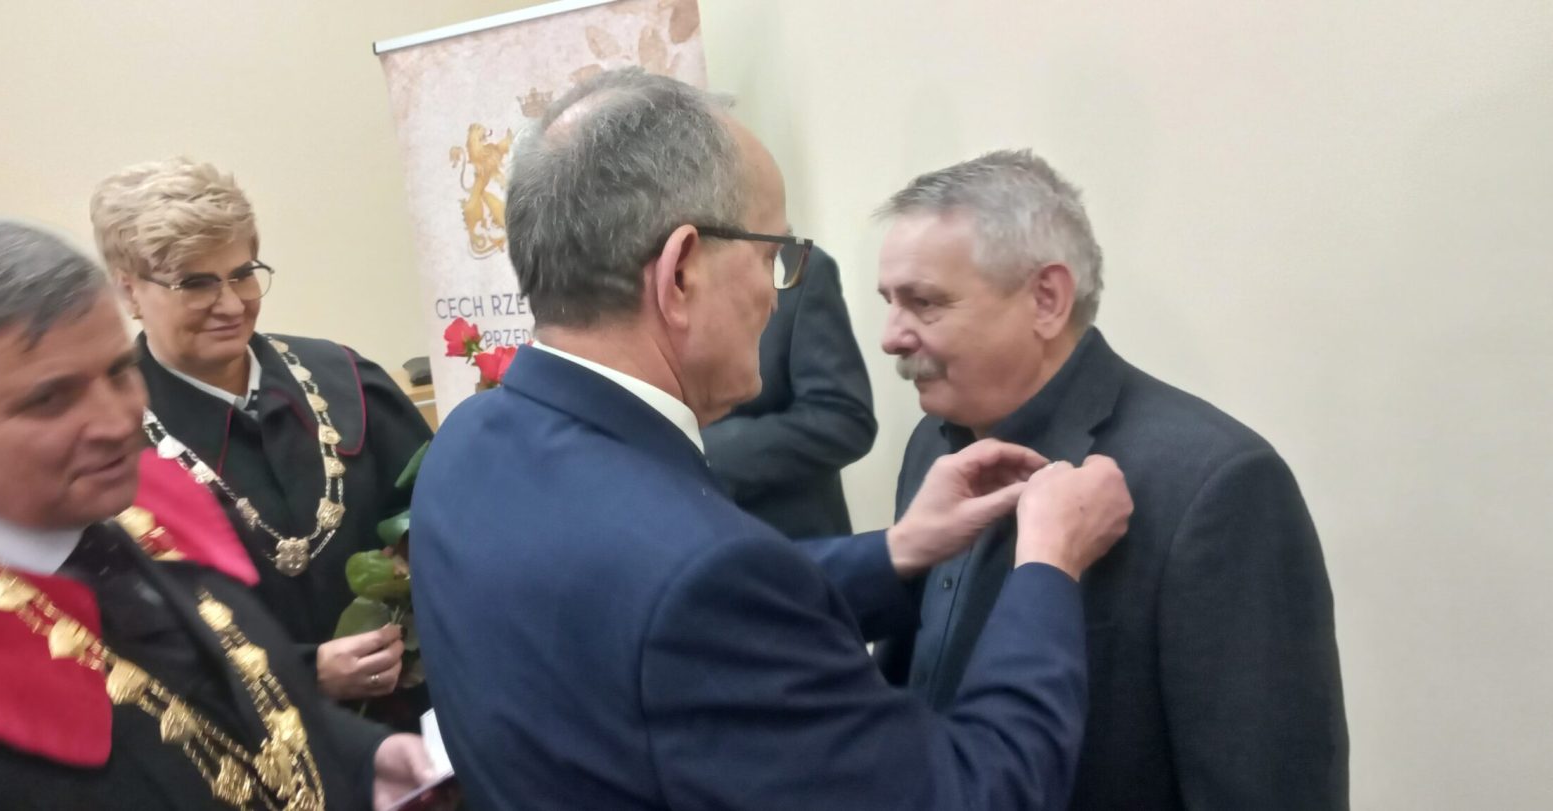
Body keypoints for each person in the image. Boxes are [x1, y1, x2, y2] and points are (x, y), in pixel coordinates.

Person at [410, 68, 1134, 810]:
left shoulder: (465, 445)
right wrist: (1048, 565)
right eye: (769, 256)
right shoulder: (700, 575)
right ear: (680, 274)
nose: (774, 290)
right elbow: (979, 795)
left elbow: (635, 607)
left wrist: (895, 551)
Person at [0, 221, 442, 810]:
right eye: (50, 400)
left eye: (117, 372)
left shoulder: (145, 509)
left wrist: (362, 760)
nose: (117, 422)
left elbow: (248, 706)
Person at [876, 150, 1348, 809]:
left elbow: (1266, 779)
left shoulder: (1214, 485)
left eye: (924, 303)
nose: (891, 337)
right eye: (889, 302)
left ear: (1047, 299)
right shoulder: (933, 444)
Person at [90, 158, 434, 719]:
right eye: (195, 283)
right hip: (250, 745)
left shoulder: (346, 381)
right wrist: (301, 673)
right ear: (129, 291)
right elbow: (129, 641)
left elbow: (436, 525)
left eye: (242, 273)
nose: (231, 304)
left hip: (411, 720)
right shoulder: (109, 446)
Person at [700, 245, 877, 538]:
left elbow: (844, 420)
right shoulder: (626, 268)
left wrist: (696, 451)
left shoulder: (797, 265)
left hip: (784, 544)